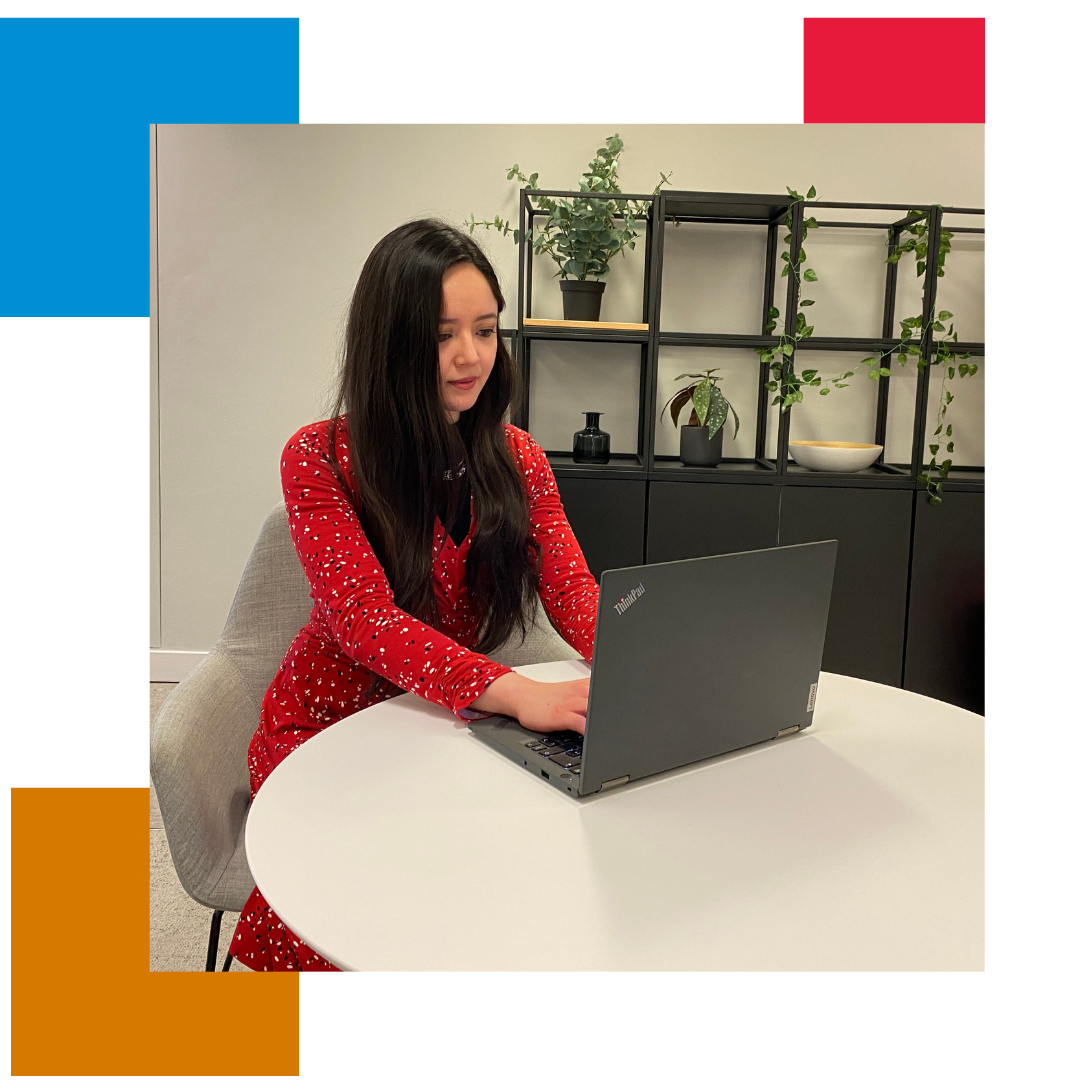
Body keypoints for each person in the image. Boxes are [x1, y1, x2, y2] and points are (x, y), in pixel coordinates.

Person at [228, 220, 600, 971]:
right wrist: (507, 688)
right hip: (324, 734)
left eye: (486, 330)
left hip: (442, 726)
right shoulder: (318, 455)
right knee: (371, 905)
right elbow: (364, 623)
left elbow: (572, 590)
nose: (471, 357)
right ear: (390, 343)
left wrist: (644, 662)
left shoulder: (517, 456)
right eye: (442, 336)